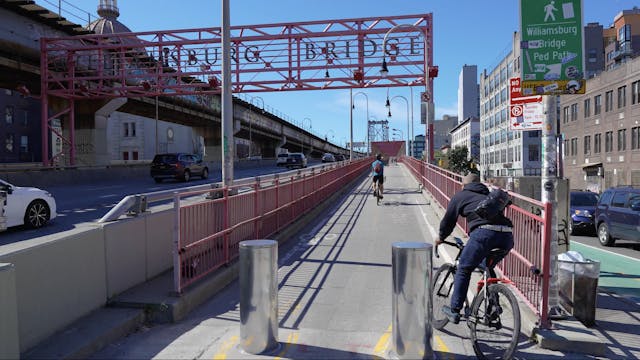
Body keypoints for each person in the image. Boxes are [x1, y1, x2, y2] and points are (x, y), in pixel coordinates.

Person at [435, 173, 514, 324]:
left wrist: (441, 237)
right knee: (487, 265)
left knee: (464, 268)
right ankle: (493, 305)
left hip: (483, 235)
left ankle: (454, 310)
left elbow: (449, 221)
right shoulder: (490, 196)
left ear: (463, 185)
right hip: (507, 237)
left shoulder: (460, 196)